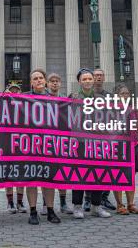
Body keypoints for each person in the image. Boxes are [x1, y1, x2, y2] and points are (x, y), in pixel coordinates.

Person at [69, 68, 112, 219]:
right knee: (79, 174)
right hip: (79, 143)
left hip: (97, 142)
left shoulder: (102, 98)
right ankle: (77, 206)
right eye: (84, 79)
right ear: (79, 82)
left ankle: (96, 206)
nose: (87, 81)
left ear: (93, 80)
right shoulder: (73, 97)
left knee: (98, 174)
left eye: (89, 79)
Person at [23, 69, 61, 225]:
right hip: (30, 146)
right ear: (31, 82)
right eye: (35, 78)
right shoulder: (23, 99)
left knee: (48, 179)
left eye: (40, 78)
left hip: (48, 146)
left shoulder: (54, 100)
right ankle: (33, 211)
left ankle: (51, 210)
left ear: (45, 81)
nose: (38, 80)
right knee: (31, 179)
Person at [85, 68, 117, 211]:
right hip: (87, 139)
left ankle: (103, 198)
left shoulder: (110, 97)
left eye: (100, 76)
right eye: (95, 75)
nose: (98, 78)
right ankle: (88, 199)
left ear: (103, 78)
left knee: (105, 169)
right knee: (87, 170)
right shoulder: (85, 96)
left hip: (104, 139)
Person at [44, 73, 74, 215]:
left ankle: (63, 203)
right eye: (52, 81)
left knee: (62, 174)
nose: (54, 83)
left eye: (57, 81)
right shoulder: (42, 99)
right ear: (47, 84)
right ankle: (45, 204)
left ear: (60, 83)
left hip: (61, 141)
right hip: (46, 141)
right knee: (46, 174)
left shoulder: (65, 99)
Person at [113, 83, 138, 215]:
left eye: (127, 93)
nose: (125, 96)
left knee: (131, 176)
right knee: (118, 176)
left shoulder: (133, 110)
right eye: (122, 94)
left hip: (134, 145)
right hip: (119, 146)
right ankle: (120, 205)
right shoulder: (112, 110)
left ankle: (131, 203)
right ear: (117, 96)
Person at [4, 83, 26, 213]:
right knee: (8, 174)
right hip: (7, 144)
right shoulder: (3, 105)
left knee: (21, 174)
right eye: (11, 91)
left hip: (20, 144)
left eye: (16, 91)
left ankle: (20, 201)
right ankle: (10, 202)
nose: (14, 93)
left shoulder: (24, 106)